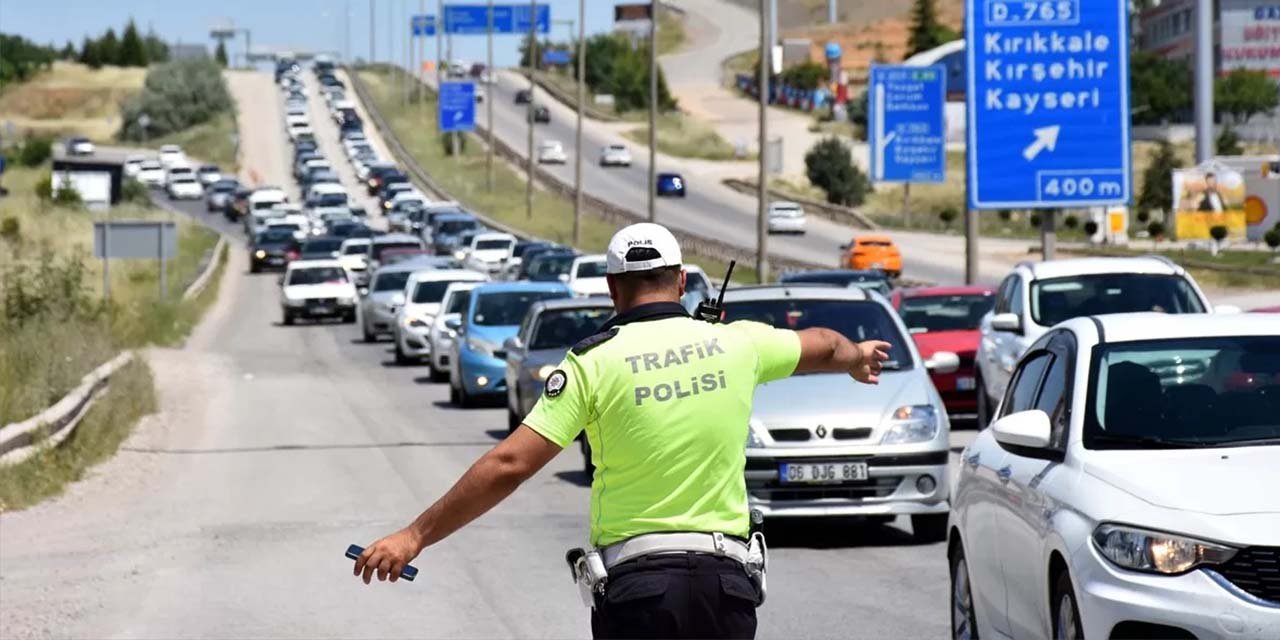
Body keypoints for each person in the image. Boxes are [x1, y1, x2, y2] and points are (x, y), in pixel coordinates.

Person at [352, 223, 890, 639]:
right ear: (682, 281)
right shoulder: (740, 344)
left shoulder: (592, 362)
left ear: (612, 288)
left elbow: (510, 464)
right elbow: (822, 341)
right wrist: (857, 357)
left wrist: (414, 535)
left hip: (641, 591)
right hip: (727, 587)